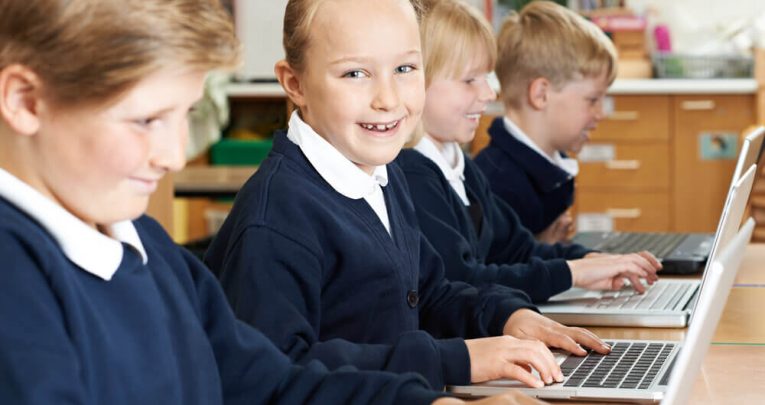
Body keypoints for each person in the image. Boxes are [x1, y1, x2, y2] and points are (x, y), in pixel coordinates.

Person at [0, 1, 541, 404]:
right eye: (145, 121)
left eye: (183, 116)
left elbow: (271, 383)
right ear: (25, 101)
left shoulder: (146, 247)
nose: (171, 155)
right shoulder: (17, 284)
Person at [205, 0, 612, 393]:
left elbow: (431, 290)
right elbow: (276, 375)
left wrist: (507, 316)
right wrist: (455, 360)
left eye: (405, 68)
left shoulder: (383, 174)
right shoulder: (276, 218)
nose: (388, 99)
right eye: (354, 74)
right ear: (295, 83)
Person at [395, 0, 661, 303]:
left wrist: (594, 261)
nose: (489, 93)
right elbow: (462, 281)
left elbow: (517, 249)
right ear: (414, 81)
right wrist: (571, 273)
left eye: (486, 78)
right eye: (470, 80)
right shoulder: (412, 174)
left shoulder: (460, 167)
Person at [473, 1, 615, 244]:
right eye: (592, 100)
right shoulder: (497, 184)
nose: (599, 114)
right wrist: (544, 249)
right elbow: (494, 274)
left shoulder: (551, 167)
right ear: (541, 95)